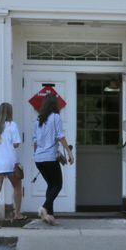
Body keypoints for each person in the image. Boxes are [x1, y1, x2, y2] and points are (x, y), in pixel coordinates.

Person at [33, 94, 73, 225]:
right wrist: (69, 153)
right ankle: (44, 208)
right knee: (58, 185)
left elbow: (35, 141)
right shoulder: (55, 117)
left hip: (39, 158)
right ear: (54, 105)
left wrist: (38, 155)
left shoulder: (38, 119)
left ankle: (49, 215)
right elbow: (60, 136)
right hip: (50, 157)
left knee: (51, 185)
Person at [0, 102, 25, 229]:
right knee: (17, 186)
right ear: (10, 112)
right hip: (10, 163)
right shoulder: (12, 125)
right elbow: (17, 143)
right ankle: (17, 213)